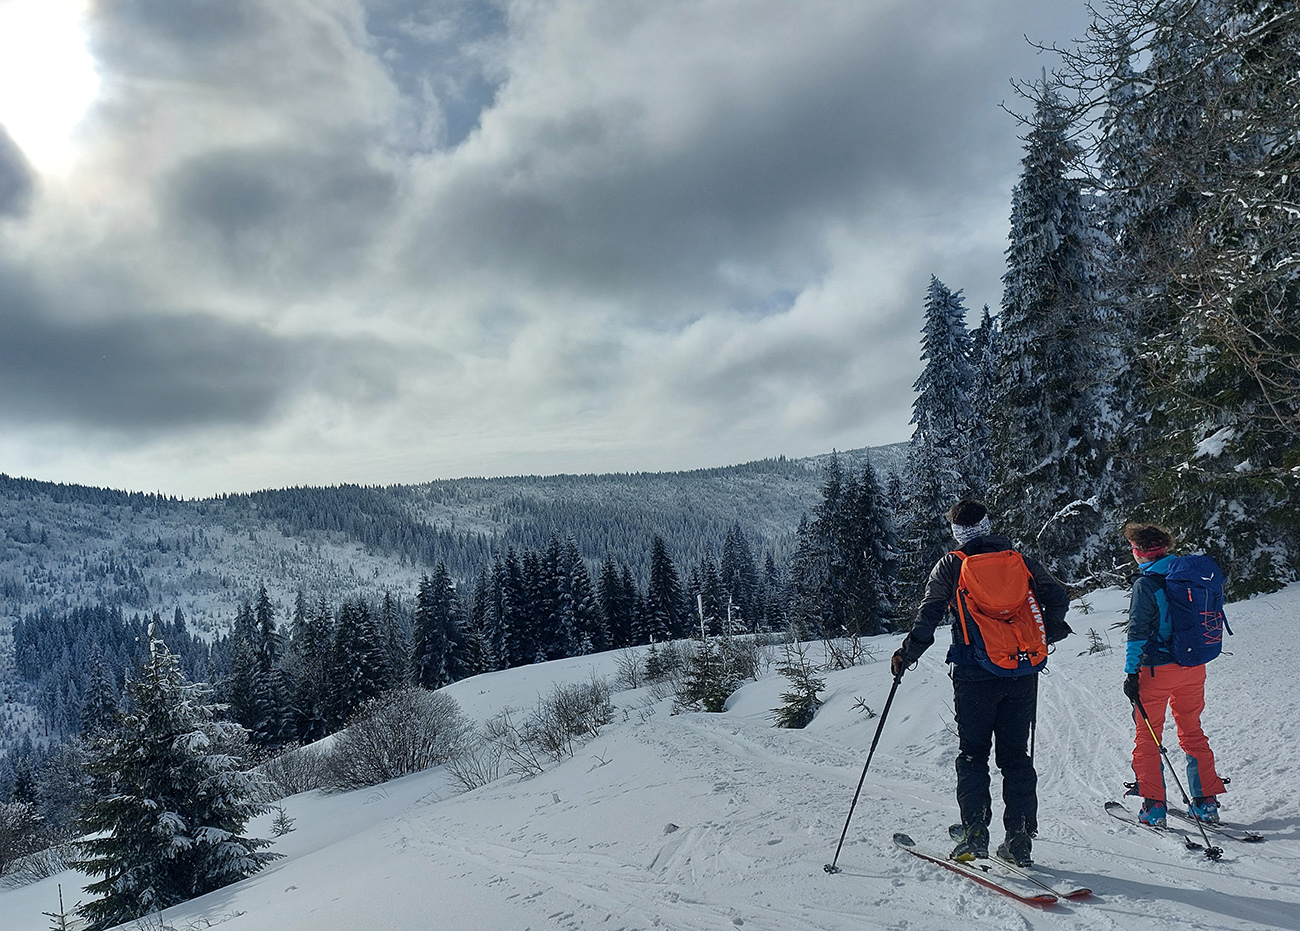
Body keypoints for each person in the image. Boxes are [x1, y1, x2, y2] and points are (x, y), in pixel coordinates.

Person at [891, 500, 1070, 867]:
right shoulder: (1018, 560)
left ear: (957, 532)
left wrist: (906, 655)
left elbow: (928, 614)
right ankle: (1019, 836)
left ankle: (975, 831)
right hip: (1021, 670)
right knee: (1016, 756)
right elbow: (1057, 596)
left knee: (973, 754)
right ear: (987, 525)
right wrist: (1043, 636)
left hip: (974, 673)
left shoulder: (951, 565)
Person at [1121, 521, 1226, 827]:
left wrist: (1131, 673)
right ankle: (1206, 803)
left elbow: (1137, 632)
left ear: (1139, 552)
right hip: (1193, 667)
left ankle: (1154, 807)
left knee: (1148, 736)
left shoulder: (1146, 584)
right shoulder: (1187, 574)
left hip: (1157, 670)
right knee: (1192, 730)